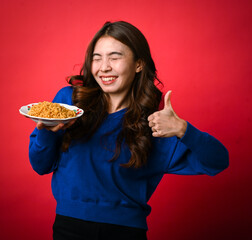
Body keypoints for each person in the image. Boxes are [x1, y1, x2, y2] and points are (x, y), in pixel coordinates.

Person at [28, 21, 229, 240]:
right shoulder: (69, 103)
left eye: (115, 57)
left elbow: (218, 161)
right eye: (97, 58)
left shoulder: (155, 123)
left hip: (125, 232)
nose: (104, 67)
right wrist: (46, 128)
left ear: (138, 64)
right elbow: (40, 165)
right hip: (69, 227)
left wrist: (183, 129)